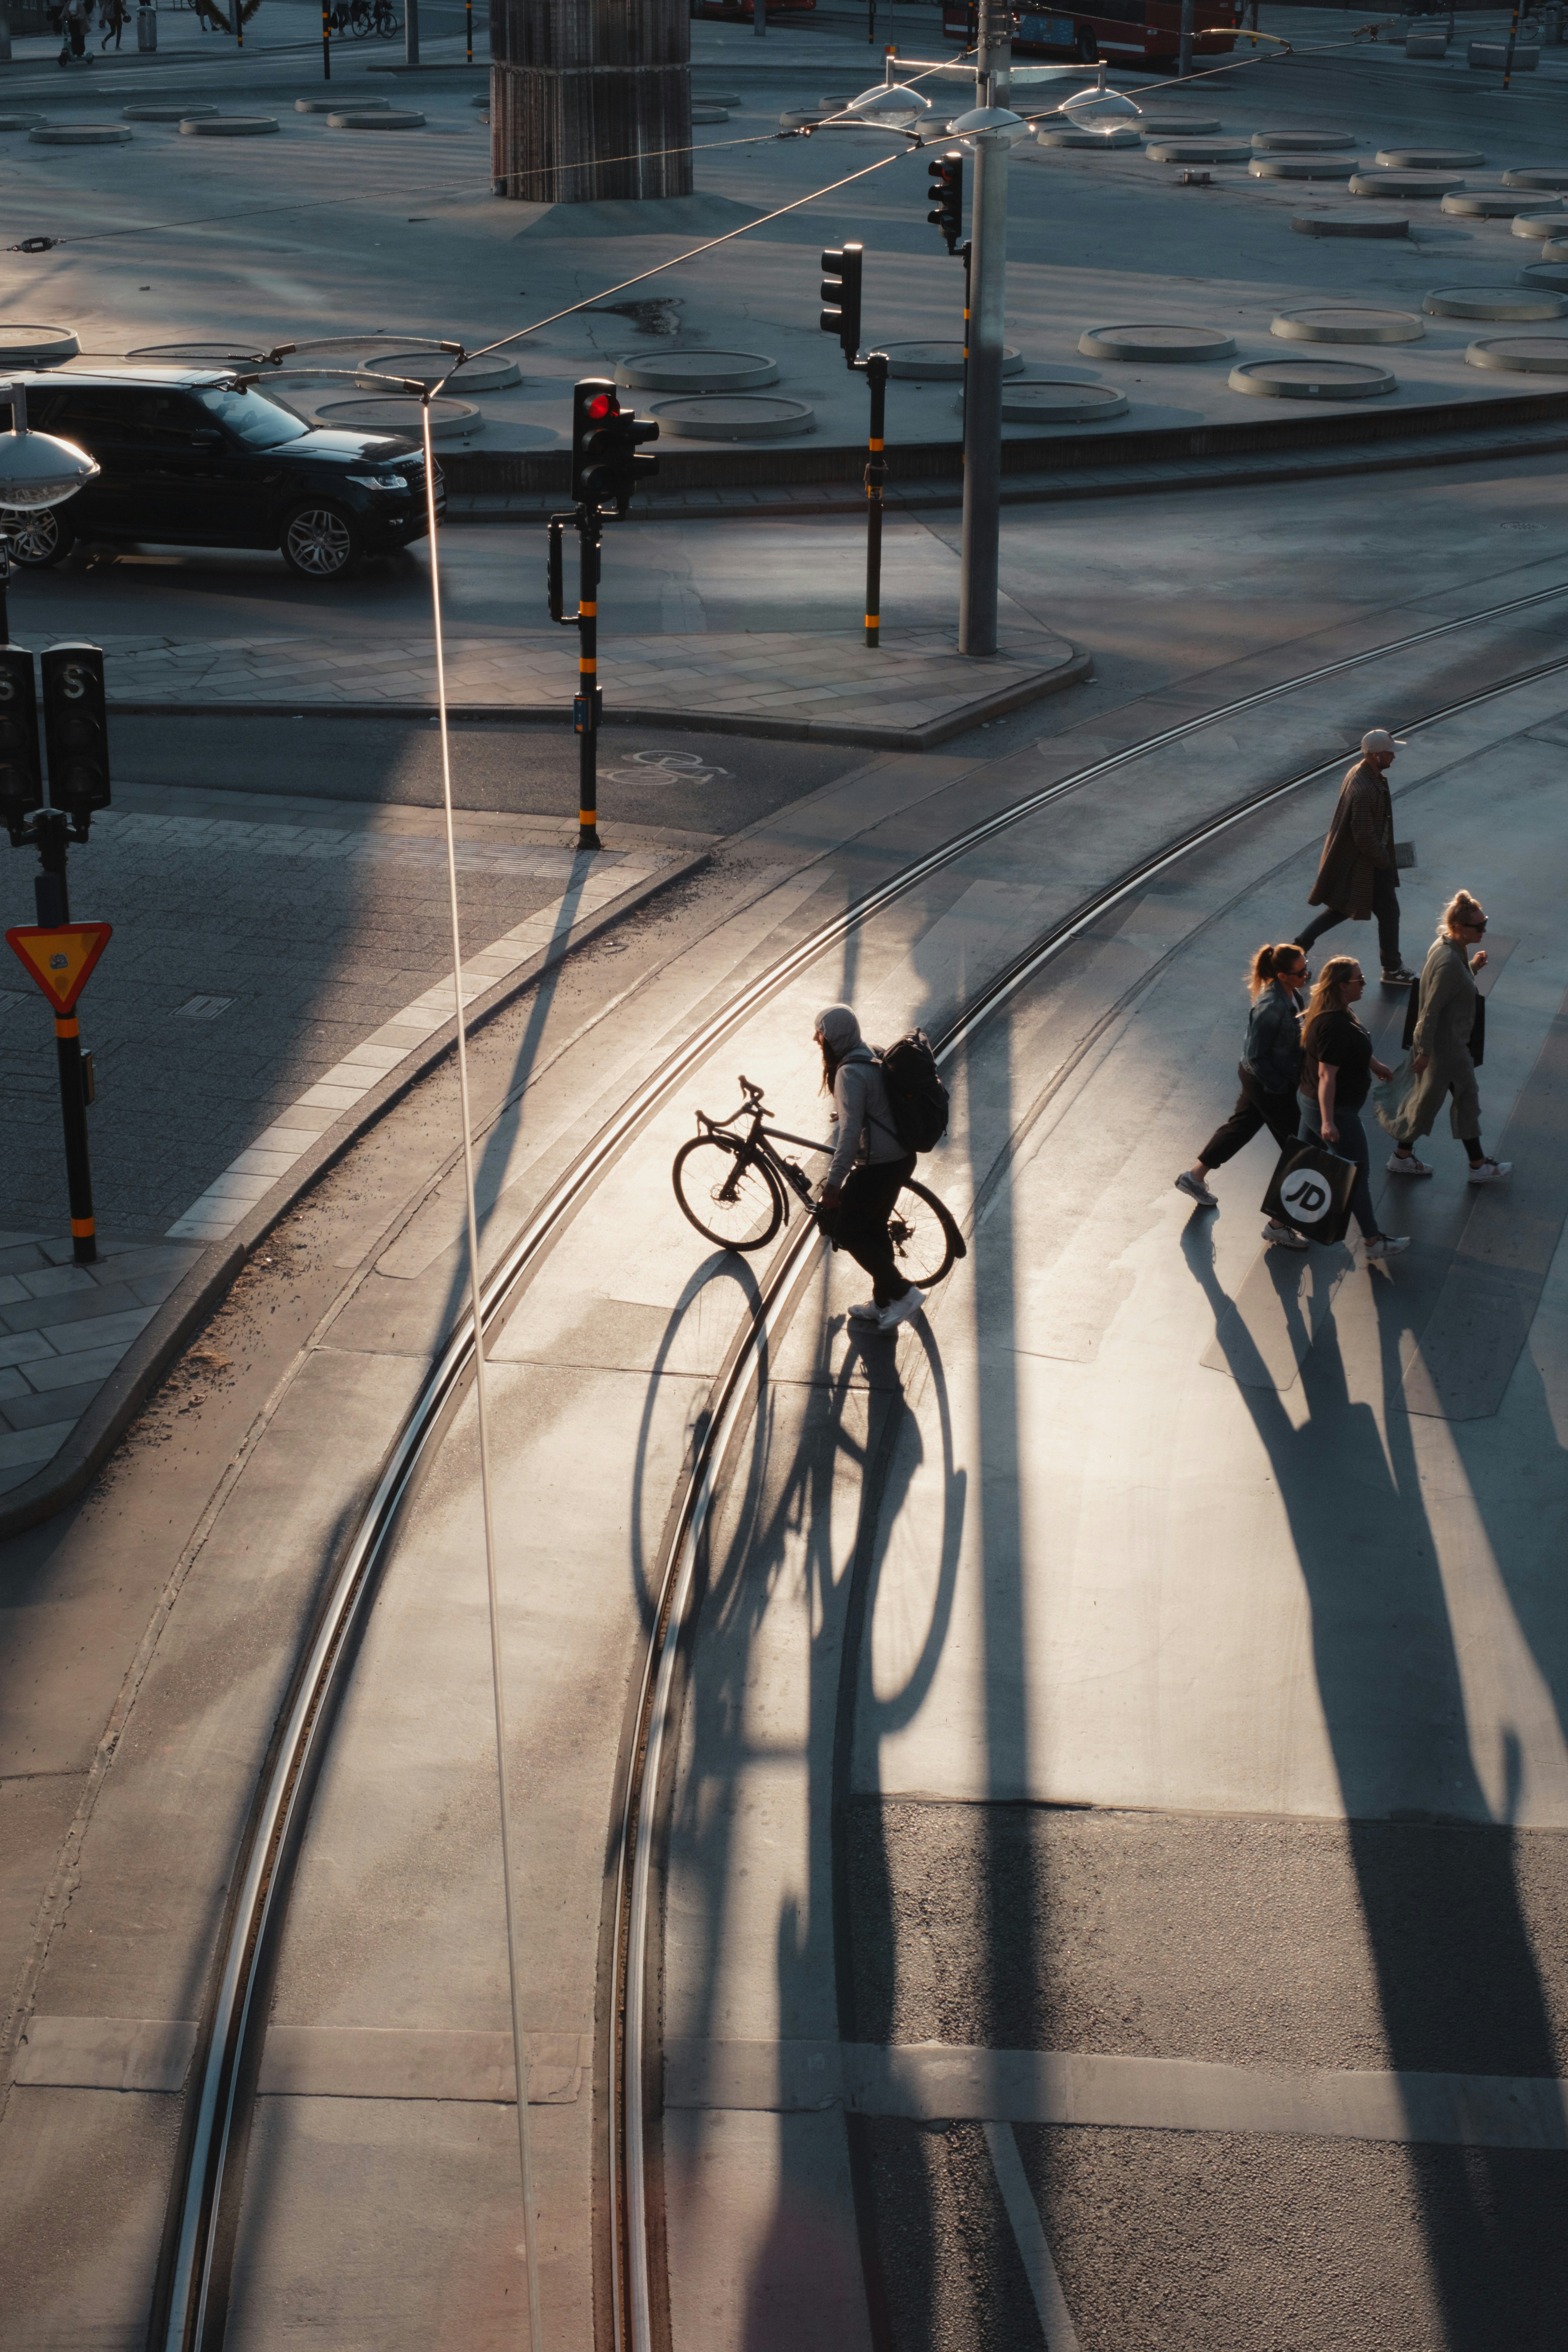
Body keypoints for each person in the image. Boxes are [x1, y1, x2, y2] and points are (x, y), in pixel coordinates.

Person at [1175, 941, 1312, 1251]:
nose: (1307, 974)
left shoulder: (1291, 994)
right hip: (1265, 1082)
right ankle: (1278, 1225)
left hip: (1264, 1080)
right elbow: (1256, 1056)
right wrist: (1280, 1089)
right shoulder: (1271, 1006)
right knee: (1297, 1147)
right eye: (1302, 971)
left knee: (1240, 1127)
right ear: (1282, 975)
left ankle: (1193, 1178)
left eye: (1307, 968)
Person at [1383, 890, 1511, 1186]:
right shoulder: (1450, 962)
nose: (1484, 930)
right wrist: (1425, 1051)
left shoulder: (1446, 947)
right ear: (1459, 928)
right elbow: (1430, 1009)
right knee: (1465, 1101)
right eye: (1479, 926)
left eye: (1485, 923)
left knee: (1428, 1101)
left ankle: (1402, 1158)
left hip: (1443, 1046)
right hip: (1448, 1048)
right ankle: (1477, 1166)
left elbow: (1448, 987)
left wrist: (1472, 969)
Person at [814, 1002, 924, 1336]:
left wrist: (833, 1185)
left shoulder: (848, 1073)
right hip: (901, 1157)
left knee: (846, 1231)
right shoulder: (871, 1051)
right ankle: (880, 1304)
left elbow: (849, 1135)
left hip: (879, 1165)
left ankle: (904, 1293)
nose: (815, 1038)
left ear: (834, 1037)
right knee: (874, 1228)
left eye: (820, 1032)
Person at [1296, 955, 1409, 1259]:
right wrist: (1328, 1121)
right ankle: (1373, 1241)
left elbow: (1346, 1053)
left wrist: (1373, 1064)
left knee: (1303, 1161)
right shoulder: (1334, 1024)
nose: (1364, 984)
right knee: (1356, 1173)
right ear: (1341, 986)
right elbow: (1326, 1075)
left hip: (1310, 1102)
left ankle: (1278, 1221)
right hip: (1334, 1110)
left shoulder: (1337, 1012)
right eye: (1359, 980)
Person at [1295, 729, 1417, 987]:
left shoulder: (1363, 773)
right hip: (1368, 865)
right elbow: (1363, 835)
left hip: (1362, 863)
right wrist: (1385, 861)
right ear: (1375, 755)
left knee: (1342, 909)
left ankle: (1298, 948)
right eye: (1389, 753)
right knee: (1387, 913)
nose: (1394, 758)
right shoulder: (1365, 789)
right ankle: (1392, 969)